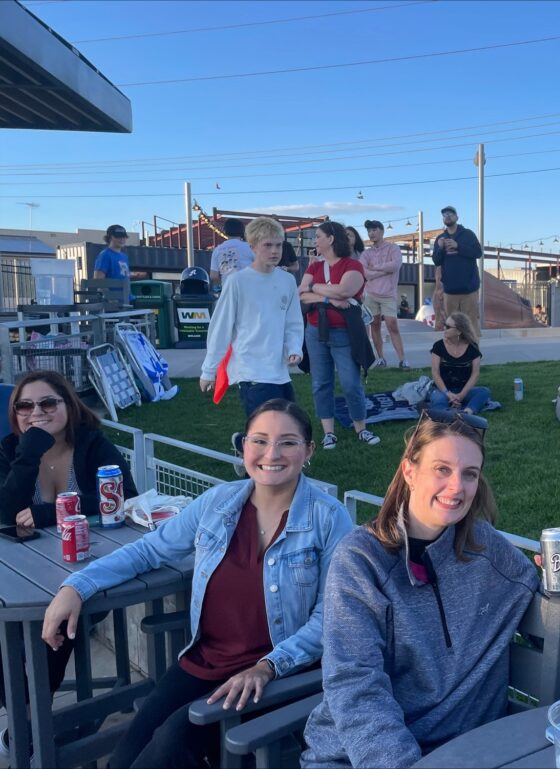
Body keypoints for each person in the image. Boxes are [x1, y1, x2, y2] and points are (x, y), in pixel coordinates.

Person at [41, 400, 352, 769]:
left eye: (288, 442)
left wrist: (267, 667)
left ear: (308, 451)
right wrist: (76, 586)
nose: (272, 454)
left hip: (275, 674)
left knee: (170, 745)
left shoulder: (329, 518)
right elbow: (148, 551)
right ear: (243, 446)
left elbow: (331, 618)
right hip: (203, 663)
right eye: (260, 440)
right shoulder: (218, 504)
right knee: (123, 758)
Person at [301, 412, 560, 768]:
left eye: (470, 474)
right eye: (442, 469)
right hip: (359, 757)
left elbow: (549, 622)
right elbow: (356, 686)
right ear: (409, 471)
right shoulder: (361, 561)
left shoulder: (487, 550)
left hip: (467, 752)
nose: (457, 487)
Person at [0, 370, 137, 752]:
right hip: (21, 575)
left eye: (48, 403)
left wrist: (48, 514)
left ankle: (29, 724)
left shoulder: (93, 446)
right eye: (25, 406)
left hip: (90, 573)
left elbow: (124, 497)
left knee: (53, 633)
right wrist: (31, 449)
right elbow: (4, 513)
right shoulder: (11, 450)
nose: (36, 412)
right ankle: (26, 713)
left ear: (68, 405)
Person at [200, 217, 303, 416]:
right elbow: (220, 328)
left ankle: (241, 442)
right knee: (267, 429)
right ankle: (244, 444)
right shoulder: (237, 282)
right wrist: (208, 370)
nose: (274, 251)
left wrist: (294, 348)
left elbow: (293, 322)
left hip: (280, 370)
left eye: (278, 245)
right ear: (253, 247)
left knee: (287, 426)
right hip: (251, 370)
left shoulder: (287, 281)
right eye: (268, 245)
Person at [299, 221, 380, 448]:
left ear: (331, 239)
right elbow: (301, 294)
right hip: (316, 331)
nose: (315, 240)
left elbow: (346, 291)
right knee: (321, 382)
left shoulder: (352, 265)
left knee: (351, 382)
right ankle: (328, 432)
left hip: (344, 332)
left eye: (318, 236)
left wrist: (315, 288)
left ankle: (361, 429)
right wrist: (327, 298)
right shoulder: (314, 267)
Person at [361, 219, 409, 370]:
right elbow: (363, 272)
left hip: (388, 294)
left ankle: (403, 360)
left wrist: (374, 268)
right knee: (374, 325)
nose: (371, 233)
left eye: (374, 230)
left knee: (392, 325)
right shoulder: (366, 253)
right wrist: (382, 271)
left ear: (382, 231)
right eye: (369, 231)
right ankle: (381, 358)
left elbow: (395, 266)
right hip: (371, 294)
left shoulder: (393, 248)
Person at [431, 206, 483, 336]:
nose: (447, 216)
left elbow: (478, 252)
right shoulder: (440, 238)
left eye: (450, 214)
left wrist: (458, 246)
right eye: (444, 215)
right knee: (452, 325)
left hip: (469, 290)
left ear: (457, 217)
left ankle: (473, 354)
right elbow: (436, 261)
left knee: (471, 325)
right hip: (450, 291)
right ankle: (454, 354)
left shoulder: (468, 234)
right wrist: (441, 248)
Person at [429, 311, 490, 417]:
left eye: (448, 327)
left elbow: (475, 374)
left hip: (463, 390)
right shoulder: (438, 346)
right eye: (445, 325)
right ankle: (447, 415)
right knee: (439, 399)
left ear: (458, 331)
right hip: (442, 390)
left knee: (484, 392)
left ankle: (467, 413)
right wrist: (447, 394)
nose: (444, 329)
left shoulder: (472, 348)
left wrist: (462, 395)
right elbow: (435, 373)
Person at [209, 218, 255, 287]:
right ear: (242, 231)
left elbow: (213, 276)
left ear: (225, 231)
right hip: (248, 288)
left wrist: (223, 285)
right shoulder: (250, 247)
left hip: (228, 289)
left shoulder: (217, 250)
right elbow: (261, 267)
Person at [93, 224, 132, 301]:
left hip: (128, 299)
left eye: (124, 236)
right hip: (113, 302)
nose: (122, 239)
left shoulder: (124, 257)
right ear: (110, 238)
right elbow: (99, 281)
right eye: (118, 236)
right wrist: (111, 299)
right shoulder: (105, 255)